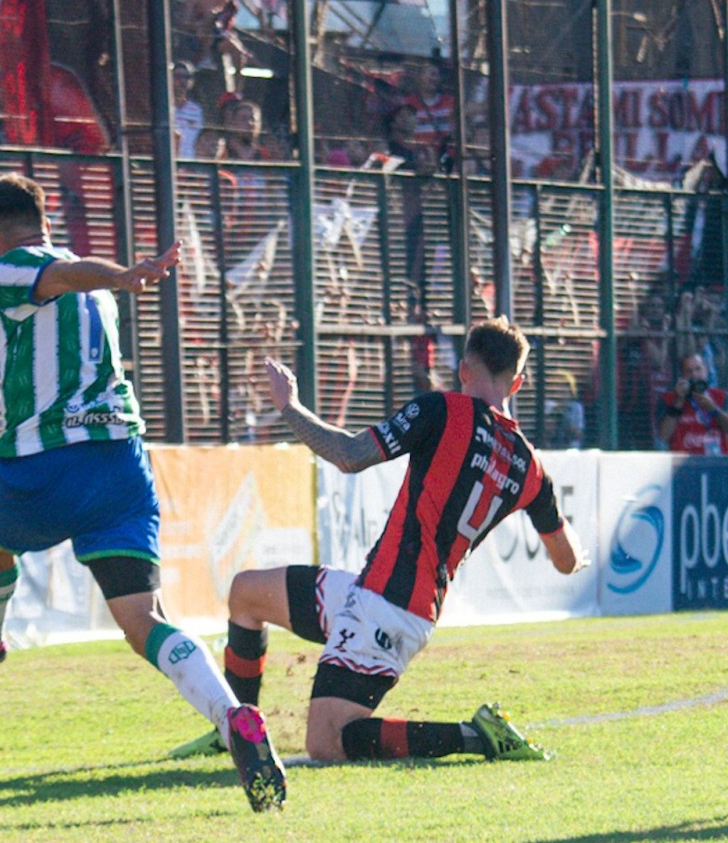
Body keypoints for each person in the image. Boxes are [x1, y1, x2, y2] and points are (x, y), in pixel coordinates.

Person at [0, 173, 286, 812]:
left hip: (45, 463)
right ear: (46, 219)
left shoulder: (9, 268)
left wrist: (124, 274)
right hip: (120, 463)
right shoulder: (76, 288)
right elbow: (17, 348)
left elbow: (59, 279)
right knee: (143, 621)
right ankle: (234, 719)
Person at [171, 317, 591, 764]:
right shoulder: (530, 466)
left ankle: (476, 735)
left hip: (388, 608)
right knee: (247, 593)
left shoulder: (443, 410)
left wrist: (290, 408)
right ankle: (233, 729)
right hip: (379, 593)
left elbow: (349, 455)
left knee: (327, 743)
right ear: (518, 383)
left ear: (464, 370)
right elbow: (566, 559)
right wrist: (578, 554)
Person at [657, 351, 728, 454]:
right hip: (683, 460)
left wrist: (713, 409)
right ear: (682, 375)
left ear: (706, 370)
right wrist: (679, 401)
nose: (694, 374)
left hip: (715, 459)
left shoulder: (722, 396)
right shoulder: (668, 398)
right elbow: (663, 436)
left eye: (698, 369)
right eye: (688, 371)